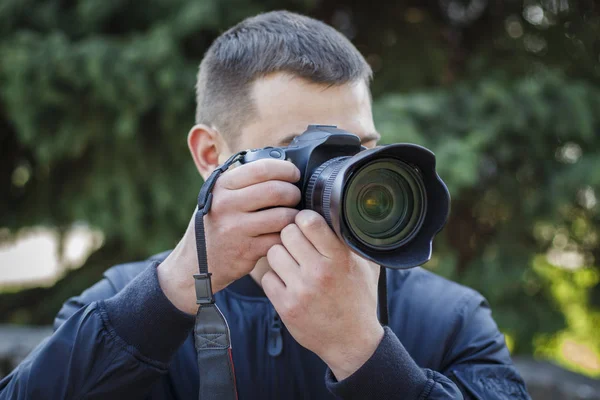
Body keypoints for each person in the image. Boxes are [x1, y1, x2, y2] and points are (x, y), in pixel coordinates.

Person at [0, 10, 531, 400]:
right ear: (212, 155)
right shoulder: (128, 305)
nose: (347, 175)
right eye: (306, 149)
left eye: (359, 150)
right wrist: (180, 285)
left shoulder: (449, 318)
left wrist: (364, 352)